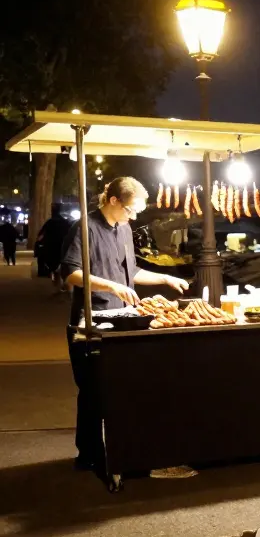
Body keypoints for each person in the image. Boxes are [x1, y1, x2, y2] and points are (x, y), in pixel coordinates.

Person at [61, 177, 187, 472]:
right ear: (114, 201)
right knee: (93, 391)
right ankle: (89, 455)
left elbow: (132, 272)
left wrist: (164, 278)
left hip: (122, 320)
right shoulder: (85, 227)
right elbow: (71, 273)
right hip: (90, 321)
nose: (133, 217)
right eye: (131, 210)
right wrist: (111, 287)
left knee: (123, 388)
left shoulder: (125, 228)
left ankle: (123, 453)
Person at [35, 205, 71, 281]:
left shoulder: (49, 222)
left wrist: (38, 242)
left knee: (52, 263)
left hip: (50, 246)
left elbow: (41, 234)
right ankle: (60, 279)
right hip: (62, 245)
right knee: (59, 262)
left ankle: (54, 277)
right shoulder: (65, 222)